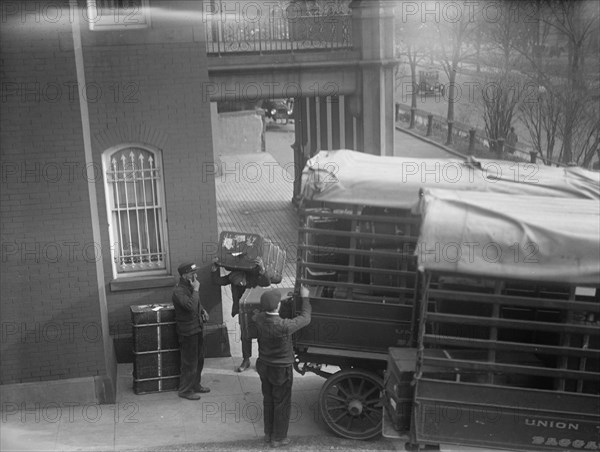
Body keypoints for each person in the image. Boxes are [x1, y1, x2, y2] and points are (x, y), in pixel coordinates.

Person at [253, 286, 312, 448]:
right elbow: (306, 318)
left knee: (269, 400)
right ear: (277, 306)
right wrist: (305, 298)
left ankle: (268, 434)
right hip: (281, 370)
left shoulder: (258, 319)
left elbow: (258, 314)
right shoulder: (284, 326)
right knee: (282, 403)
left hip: (264, 365)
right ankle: (279, 438)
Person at [211, 256, 271, 372]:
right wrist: (214, 269)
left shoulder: (254, 274)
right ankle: (246, 360)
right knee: (245, 335)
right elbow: (218, 281)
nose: (240, 283)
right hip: (243, 311)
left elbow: (266, 282)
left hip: (257, 309)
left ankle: (261, 360)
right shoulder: (234, 275)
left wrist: (262, 268)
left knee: (261, 334)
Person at [172, 262, 210, 400]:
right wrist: (196, 290)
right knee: (189, 362)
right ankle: (185, 390)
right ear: (184, 275)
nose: (196, 275)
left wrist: (203, 310)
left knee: (199, 359)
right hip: (187, 331)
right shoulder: (179, 291)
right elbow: (189, 306)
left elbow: (196, 304)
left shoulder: (190, 287)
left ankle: (196, 384)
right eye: (192, 273)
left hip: (197, 328)